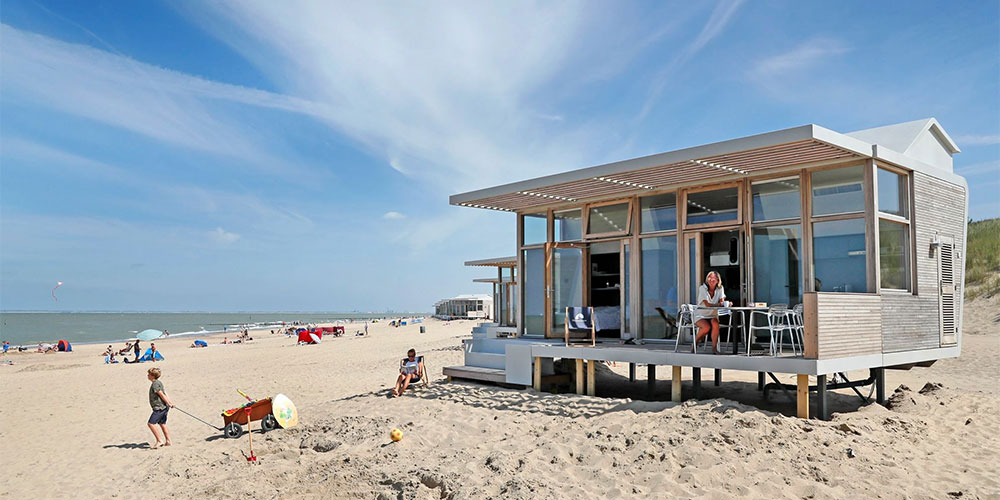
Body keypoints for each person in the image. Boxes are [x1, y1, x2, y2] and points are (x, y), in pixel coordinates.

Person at [694, 270, 727, 355]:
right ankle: (695, 343)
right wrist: (720, 304)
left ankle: (714, 349)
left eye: (714, 278)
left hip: (712, 315)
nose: (711, 280)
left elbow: (722, 301)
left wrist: (726, 303)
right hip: (701, 315)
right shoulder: (702, 288)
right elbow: (707, 304)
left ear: (718, 280)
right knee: (706, 327)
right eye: (709, 277)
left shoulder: (720, 288)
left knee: (716, 324)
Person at [146, 367, 174, 449]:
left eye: (149, 374)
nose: (147, 375)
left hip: (159, 408)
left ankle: (159, 440)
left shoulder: (155, 384)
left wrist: (169, 402)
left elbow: (161, 394)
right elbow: (165, 393)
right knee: (162, 424)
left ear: (152, 376)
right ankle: (168, 441)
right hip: (164, 407)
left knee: (151, 424)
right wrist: (169, 402)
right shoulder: (158, 382)